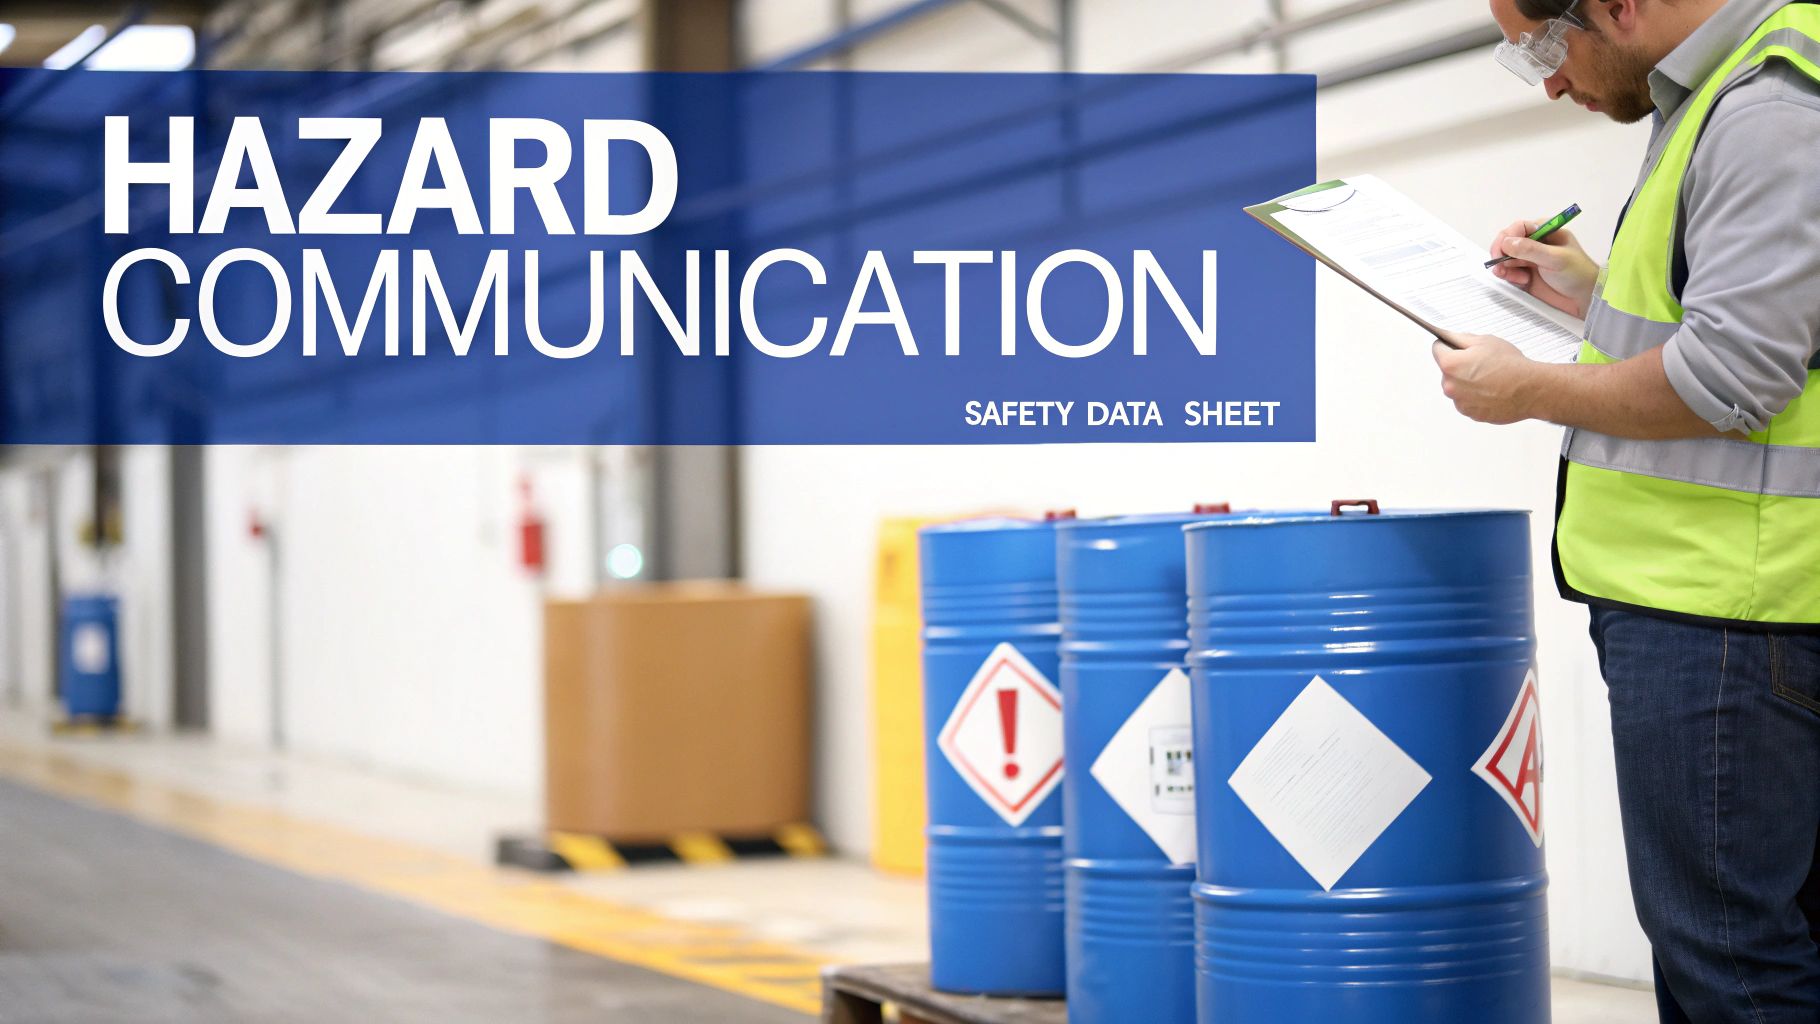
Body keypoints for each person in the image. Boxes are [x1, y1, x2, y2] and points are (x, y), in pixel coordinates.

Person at [1434, 0, 1820, 1018]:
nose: (1552, 82)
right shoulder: (1725, 90)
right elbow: (1751, 325)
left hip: (1726, 613)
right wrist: (1588, 294)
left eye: (1546, 51)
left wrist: (1522, 389)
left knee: (1729, 966)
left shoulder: (1762, 105)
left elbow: (1732, 376)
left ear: (1619, 4)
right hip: (1726, 603)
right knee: (1755, 945)